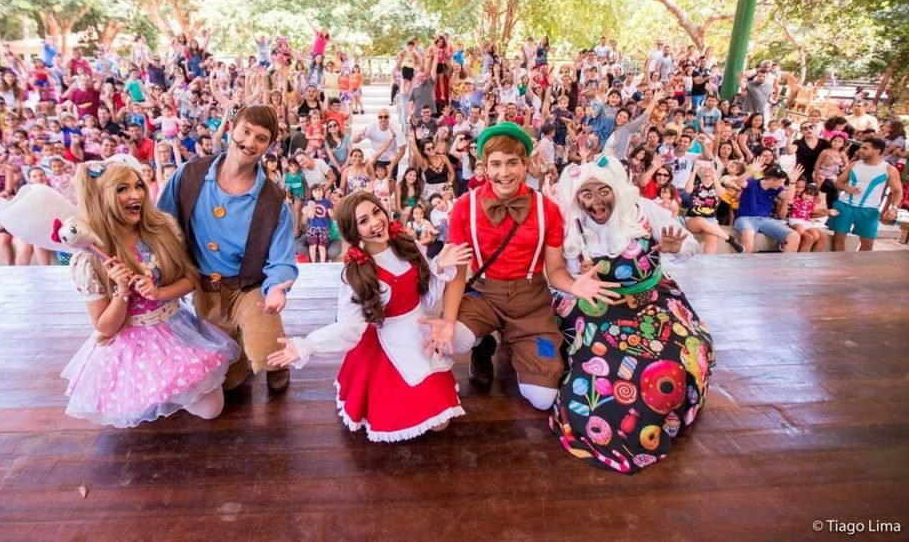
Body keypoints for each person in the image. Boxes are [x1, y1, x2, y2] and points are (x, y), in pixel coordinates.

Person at [421, 122, 616, 411]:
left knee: (542, 398)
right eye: (496, 164)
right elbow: (458, 276)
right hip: (484, 296)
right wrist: (448, 321)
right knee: (454, 339)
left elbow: (555, 270)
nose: (504, 173)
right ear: (484, 167)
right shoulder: (465, 206)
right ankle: (482, 343)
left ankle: (520, 347)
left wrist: (574, 285)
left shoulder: (547, 209)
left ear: (525, 164)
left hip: (531, 301)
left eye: (512, 163)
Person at [268, 192, 476, 442]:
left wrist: (440, 266)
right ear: (353, 232)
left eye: (376, 212)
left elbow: (427, 299)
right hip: (384, 342)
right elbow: (348, 326)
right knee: (435, 421)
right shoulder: (356, 272)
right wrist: (308, 345)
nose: (376, 222)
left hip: (416, 330)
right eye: (363, 221)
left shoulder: (408, 246)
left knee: (441, 422)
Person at [551, 155, 713, 473]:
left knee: (673, 360)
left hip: (652, 300)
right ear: (575, 198)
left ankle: (660, 422)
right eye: (586, 194)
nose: (596, 201)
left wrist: (674, 247)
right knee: (599, 372)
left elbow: (689, 246)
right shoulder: (570, 226)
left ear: (615, 188)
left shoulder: (643, 210)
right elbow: (558, 278)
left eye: (603, 191)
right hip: (594, 306)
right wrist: (578, 277)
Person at [61, 161, 240, 427]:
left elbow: (191, 278)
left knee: (212, 408)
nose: (135, 195)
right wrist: (122, 292)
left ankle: (173, 391)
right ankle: (158, 392)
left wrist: (159, 292)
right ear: (102, 197)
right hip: (131, 343)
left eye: (138, 186)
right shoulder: (89, 260)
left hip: (176, 326)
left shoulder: (162, 228)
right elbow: (105, 327)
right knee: (140, 405)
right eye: (122, 189)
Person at [158, 105, 298, 393]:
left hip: (251, 289)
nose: (249, 143)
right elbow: (161, 225)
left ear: (268, 146)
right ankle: (240, 353)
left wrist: (276, 289)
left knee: (266, 355)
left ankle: (274, 360)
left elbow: (282, 259)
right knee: (230, 384)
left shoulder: (273, 201)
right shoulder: (188, 175)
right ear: (232, 127)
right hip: (207, 291)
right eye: (245, 131)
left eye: (261, 138)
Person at [828, 137, 903, 252]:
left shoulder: (889, 169)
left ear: (877, 151)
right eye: (861, 147)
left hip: (869, 209)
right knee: (838, 236)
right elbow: (838, 182)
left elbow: (897, 191)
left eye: (865, 148)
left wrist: (894, 208)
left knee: (868, 243)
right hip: (845, 205)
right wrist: (846, 188)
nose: (860, 150)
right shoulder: (854, 165)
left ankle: (859, 269)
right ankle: (838, 266)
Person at [734, 157, 803, 253]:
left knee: (794, 236)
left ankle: (786, 266)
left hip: (765, 220)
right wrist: (751, 171)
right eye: (780, 182)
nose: (782, 184)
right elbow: (738, 182)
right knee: (748, 233)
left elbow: (788, 197)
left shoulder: (776, 188)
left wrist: (793, 182)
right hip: (745, 218)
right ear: (771, 180)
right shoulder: (752, 183)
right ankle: (744, 265)